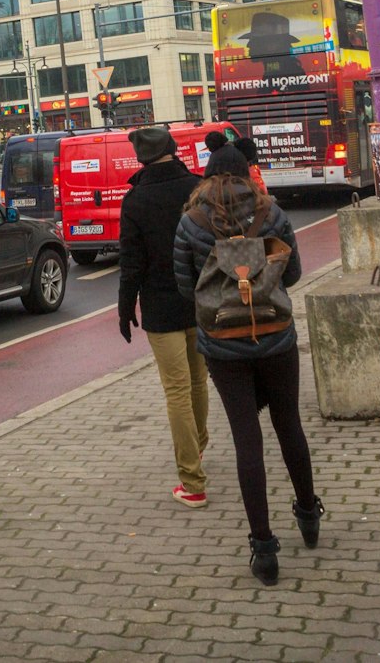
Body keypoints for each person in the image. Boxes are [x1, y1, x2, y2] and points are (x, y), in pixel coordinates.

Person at [174, 158, 319, 586]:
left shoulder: (191, 221)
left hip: (222, 345)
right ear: (245, 175)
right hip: (276, 336)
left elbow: (186, 286)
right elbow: (291, 271)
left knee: (245, 437)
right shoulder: (270, 212)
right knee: (288, 423)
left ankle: (263, 547)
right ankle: (309, 514)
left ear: (207, 177)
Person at [115, 125, 209, 508]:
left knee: (176, 390)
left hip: (159, 304)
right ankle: (197, 446)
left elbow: (131, 263)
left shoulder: (135, 200)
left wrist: (125, 309)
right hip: (201, 301)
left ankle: (192, 481)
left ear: (142, 157)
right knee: (198, 380)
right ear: (172, 149)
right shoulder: (197, 189)